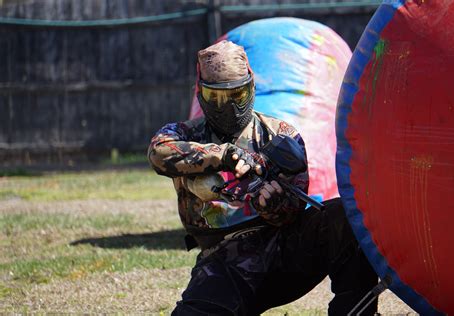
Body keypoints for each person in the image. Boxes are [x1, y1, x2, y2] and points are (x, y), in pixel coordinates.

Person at [148, 40, 378, 315]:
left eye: (237, 96)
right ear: (201, 93)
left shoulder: (280, 135)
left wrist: (273, 206)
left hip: (282, 252)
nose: (228, 107)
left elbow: (295, 206)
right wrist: (223, 156)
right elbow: (158, 152)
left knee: (343, 216)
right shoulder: (185, 134)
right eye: (217, 98)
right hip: (224, 261)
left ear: (251, 87)